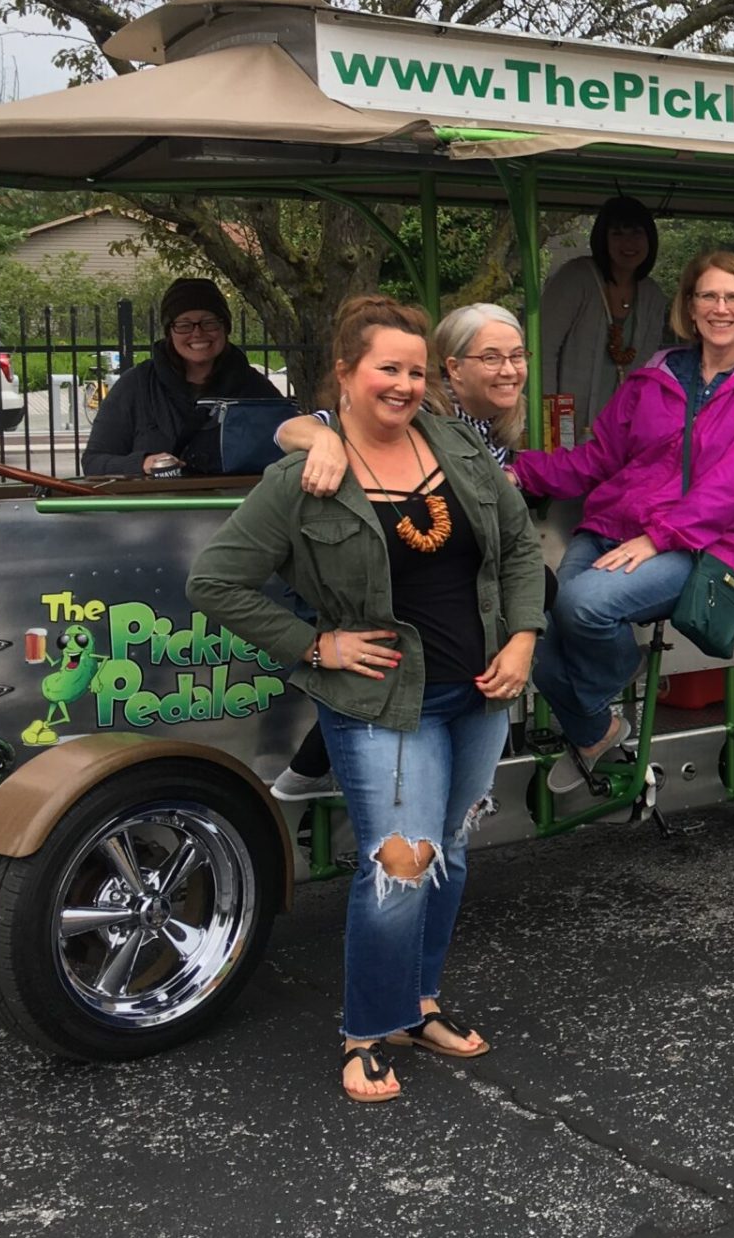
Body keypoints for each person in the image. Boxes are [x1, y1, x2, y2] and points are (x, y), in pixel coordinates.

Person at [188, 294, 543, 1104]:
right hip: (382, 700)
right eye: (389, 368)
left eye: (417, 371)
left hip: (480, 689)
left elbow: (520, 544)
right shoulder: (305, 475)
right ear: (345, 375)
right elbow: (213, 582)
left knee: (446, 849)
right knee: (398, 862)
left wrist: (523, 637)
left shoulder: (455, 443)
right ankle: (367, 1030)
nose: (406, 385)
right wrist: (316, 646)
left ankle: (418, 1004)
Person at [513, 253, 734, 793]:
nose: (721, 308)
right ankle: (599, 732)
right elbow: (598, 457)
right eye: (708, 296)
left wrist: (658, 538)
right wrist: (519, 472)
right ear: (689, 306)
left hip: (693, 546)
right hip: (611, 528)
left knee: (581, 605)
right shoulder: (656, 374)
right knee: (544, 648)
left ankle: (617, 672)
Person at [268, 301, 534, 804]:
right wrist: (323, 439)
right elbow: (288, 430)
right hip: (367, 586)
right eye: (492, 357)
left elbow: (510, 535)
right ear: (454, 367)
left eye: (517, 356)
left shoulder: (488, 428)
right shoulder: (422, 410)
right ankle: (312, 765)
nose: (509, 369)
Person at [81, 277, 281, 477]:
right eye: (184, 325)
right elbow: (94, 462)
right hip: (155, 506)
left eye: (209, 323)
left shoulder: (256, 388)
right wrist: (143, 463)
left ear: (225, 328)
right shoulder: (137, 385)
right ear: (169, 331)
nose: (198, 333)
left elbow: (286, 457)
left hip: (235, 506)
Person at [539, 195, 667, 428]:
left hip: (621, 426)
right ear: (602, 239)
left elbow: (647, 367)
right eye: (617, 233)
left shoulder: (652, 295)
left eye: (637, 233)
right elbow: (542, 350)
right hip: (564, 421)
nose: (628, 243)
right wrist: (550, 421)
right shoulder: (576, 278)